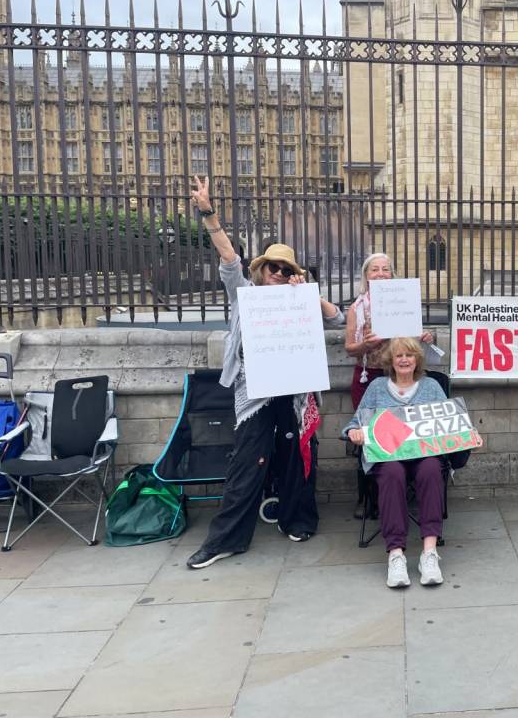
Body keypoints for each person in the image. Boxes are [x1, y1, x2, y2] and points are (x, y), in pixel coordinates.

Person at [185, 176, 343, 570]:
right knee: (246, 463)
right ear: (261, 270)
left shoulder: (301, 298)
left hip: (294, 394)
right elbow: (227, 257)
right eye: (272, 266)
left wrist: (306, 290)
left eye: (284, 268)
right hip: (256, 393)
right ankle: (226, 540)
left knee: (298, 458)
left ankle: (299, 520)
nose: (277, 272)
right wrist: (208, 213)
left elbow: (338, 318)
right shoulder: (244, 293)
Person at [343, 337, 449, 588]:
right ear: (391, 361)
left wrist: (469, 435)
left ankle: (429, 553)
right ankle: (396, 554)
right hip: (389, 457)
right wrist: (353, 433)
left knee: (433, 468)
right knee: (391, 473)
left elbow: (450, 423)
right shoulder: (378, 387)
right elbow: (354, 423)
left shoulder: (432, 386)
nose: (403, 359)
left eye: (409, 355)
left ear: (417, 360)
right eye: (399, 355)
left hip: (423, 455)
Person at [344, 253, 434, 411]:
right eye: (375, 269)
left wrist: (425, 336)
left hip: (402, 376)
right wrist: (366, 345)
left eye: (385, 269)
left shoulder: (404, 303)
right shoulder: (357, 308)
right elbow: (350, 348)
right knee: (369, 427)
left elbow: (412, 338)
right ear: (367, 275)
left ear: (392, 274)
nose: (380, 274)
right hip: (369, 377)